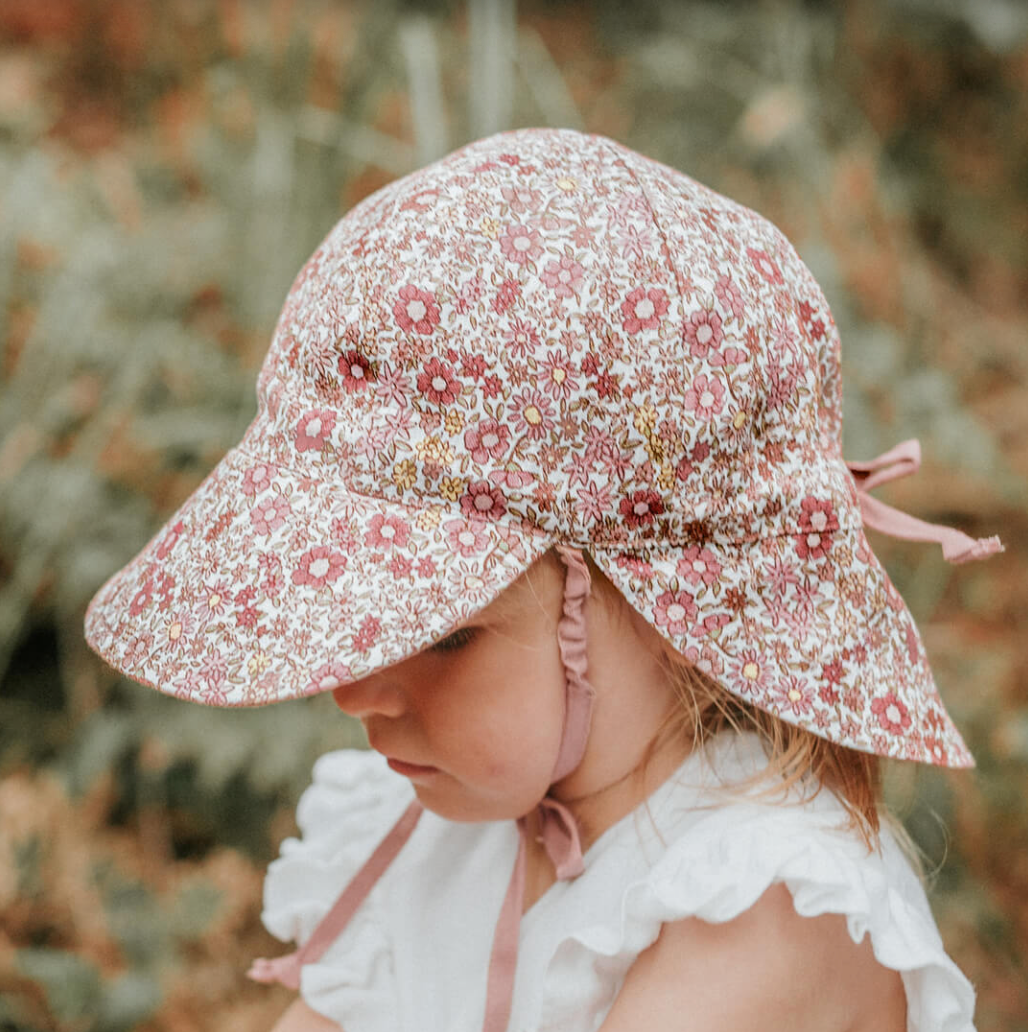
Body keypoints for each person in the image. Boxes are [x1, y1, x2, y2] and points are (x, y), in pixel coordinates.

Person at [84, 128, 1001, 1032]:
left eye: (446, 634)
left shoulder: (761, 914)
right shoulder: (446, 835)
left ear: (660, 595)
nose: (353, 690)